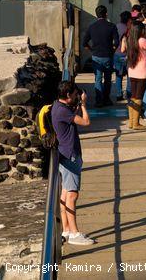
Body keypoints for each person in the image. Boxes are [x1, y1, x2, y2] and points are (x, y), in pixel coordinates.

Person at [51, 81, 94, 245]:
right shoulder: (63, 111)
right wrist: (83, 104)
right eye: (75, 94)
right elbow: (86, 122)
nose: (77, 96)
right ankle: (75, 233)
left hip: (63, 153)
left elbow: (70, 119)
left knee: (65, 193)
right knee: (72, 194)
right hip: (70, 156)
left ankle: (67, 230)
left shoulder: (57, 106)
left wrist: (76, 104)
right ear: (68, 95)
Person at [82, 5, 120, 107]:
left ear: (96, 14)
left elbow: (84, 43)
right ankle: (106, 99)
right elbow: (117, 42)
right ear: (106, 14)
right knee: (108, 79)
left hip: (96, 56)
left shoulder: (92, 27)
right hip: (108, 55)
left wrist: (91, 50)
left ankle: (99, 100)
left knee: (98, 79)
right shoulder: (111, 26)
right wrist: (112, 50)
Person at [120, 23, 146, 130]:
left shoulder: (130, 40)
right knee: (138, 97)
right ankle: (136, 123)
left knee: (133, 97)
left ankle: (132, 122)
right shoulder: (142, 40)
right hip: (142, 72)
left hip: (132, 71)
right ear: (140, 31)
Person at [112, 11, 132, 102]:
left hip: (117, 53)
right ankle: (128, 93)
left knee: (119, 75)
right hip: (128, 54)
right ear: (129, 19)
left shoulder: (116, 27)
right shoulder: (130, 28)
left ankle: (118, 94)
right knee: (129, 75)